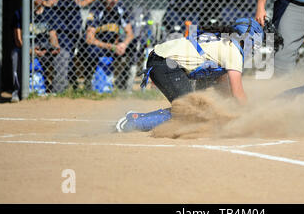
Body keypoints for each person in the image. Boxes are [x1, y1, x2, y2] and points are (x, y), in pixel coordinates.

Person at [115, 17, 268, 132]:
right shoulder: (233, 51)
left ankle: (138, 117)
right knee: (190, 112)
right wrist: (252, 116)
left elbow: (224, 87)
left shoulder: (224, 43)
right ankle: (134, 123)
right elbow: (238, 93)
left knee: (198, 108)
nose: (253, 48)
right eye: (254, 43)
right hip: (165, 63)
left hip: (162, 61)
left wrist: (226, 109)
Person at [44, 0, 102, 93]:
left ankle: (74, 82)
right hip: (57, 21)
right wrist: (46, 2)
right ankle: (63, 86)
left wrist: (83, 2)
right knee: (62, 51)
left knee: (73, 52)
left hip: (74, 21)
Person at [11, 0, 60, 102]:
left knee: (62, 54)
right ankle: (17, 91)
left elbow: (53, 37)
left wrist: (54, 47)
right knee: (15, 54)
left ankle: (56, 90)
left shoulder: (50, 13)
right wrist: (31, 51)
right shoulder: (20, 13)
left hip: (44, 47)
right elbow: (18, 40)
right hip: (27, 48)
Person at [84, 0, 134, 91]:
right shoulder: (97, 9)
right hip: (99, 46)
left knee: (133, 48)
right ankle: (90, 79)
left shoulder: (121, 9)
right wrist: (112, 47)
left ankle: (122, 83)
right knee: (92, 50)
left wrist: (123, 44)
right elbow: (89, 39)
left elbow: (130, 34)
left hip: (114, 47)